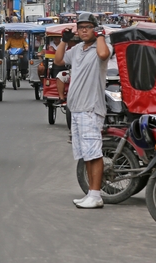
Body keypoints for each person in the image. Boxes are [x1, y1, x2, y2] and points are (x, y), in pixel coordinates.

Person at [55, 12, 110, 209]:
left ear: (95, 29)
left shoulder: (101, 47)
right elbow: (58, 61)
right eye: (81, 27)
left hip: (90, 108)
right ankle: (91, 193)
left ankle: (96, 195)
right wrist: (64, 41)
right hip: (76, 109)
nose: (84, 30)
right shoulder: (77, 49)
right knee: (86, 154)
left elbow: (104, 55)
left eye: (88, 27)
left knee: (93, 153)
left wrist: (101, 35)